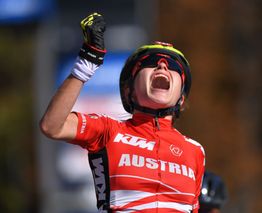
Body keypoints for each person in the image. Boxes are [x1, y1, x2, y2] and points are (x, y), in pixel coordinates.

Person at [40, 12, 205, 212]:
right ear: (129, 91)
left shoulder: (195, 151)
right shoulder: (109, 130)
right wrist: (86, 64)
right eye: (150, 62)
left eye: (172, 66)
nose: (162, 65)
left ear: (181, 98)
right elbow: (52, 126)